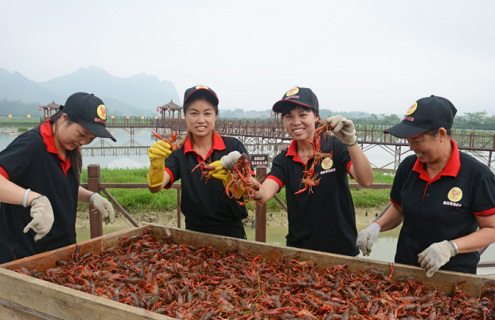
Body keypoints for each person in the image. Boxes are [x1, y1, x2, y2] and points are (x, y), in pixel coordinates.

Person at [0, 92, 117, 320]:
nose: (82, 142)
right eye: (81, 133)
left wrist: (90, 196)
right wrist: (30, 198)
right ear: (63, 118)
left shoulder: (70, 149)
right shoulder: (31, 144)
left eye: (89, 138)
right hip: (24, 259)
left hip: (60, 257)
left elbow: (63, 187)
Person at [356, 95, 495, 276]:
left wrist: (450, 248)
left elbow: (492, 230)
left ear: (441, 134)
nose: (411, 147)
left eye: (416, 140)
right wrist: (376, 226)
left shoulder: (477, 175)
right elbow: (399, 209)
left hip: (453, 274)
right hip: (405, 268)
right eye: (408, 141)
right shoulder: (408, 167)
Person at [253, 86, 373, 256]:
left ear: (316, 116)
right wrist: (250, 184)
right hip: (299, 251)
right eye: (289, 116)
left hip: (342, 250)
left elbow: (366, 180)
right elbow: (263, 193)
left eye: (303, 115)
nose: (296, 122)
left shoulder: (334, 147)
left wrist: (351, 141)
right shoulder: (284, 160)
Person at [147, 85, 250, 239]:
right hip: (193, 234)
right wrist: (156, 164)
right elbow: (155, 187)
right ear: (185, 116)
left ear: (215, 115)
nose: (201, 120)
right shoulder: (179, 153)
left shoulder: (233, 146)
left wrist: (237, 185)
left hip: (232, 233)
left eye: (207, 113)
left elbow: (250, 187)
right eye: (194, 113)